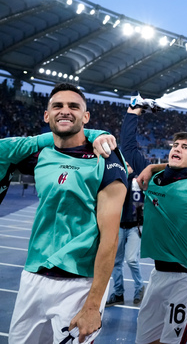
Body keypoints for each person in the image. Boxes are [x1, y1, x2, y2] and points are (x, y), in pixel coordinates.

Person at [8, 83, 128, 344]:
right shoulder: (39, 152)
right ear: (46, 115)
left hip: (79, 284)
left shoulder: (106, 158)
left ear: (85, 117)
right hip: (33, 276)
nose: (65, 111)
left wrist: (93, 305)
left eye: (74, 107)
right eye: (57, 106)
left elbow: (110, 240)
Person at [120, 106, 187, 344]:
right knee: (145, 339)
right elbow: (127, 149)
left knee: (171, 341)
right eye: (175, 145)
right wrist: (132, 113)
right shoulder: (155, 179)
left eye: (185, 147)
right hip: (157, 274)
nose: (177, 148)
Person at [105, 161, 145, 307]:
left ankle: (140, 288)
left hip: (136, 226)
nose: (125, 168)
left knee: (131, 259)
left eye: (128, 165)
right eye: (124, 165)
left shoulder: (140, 180)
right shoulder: (116, 179)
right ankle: (118, 293)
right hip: (119, 226)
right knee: (116, 262)